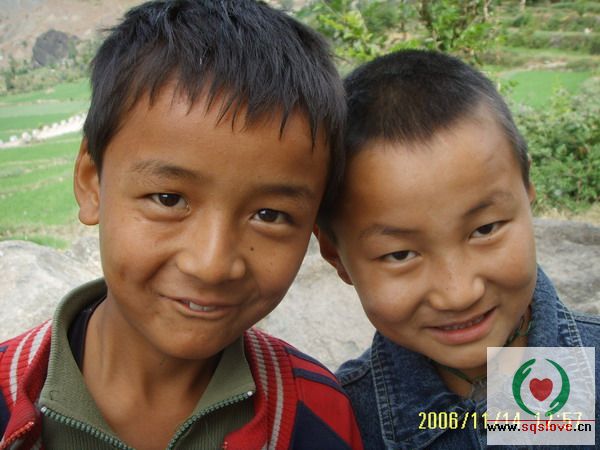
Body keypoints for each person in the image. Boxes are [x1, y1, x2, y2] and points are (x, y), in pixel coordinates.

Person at [0, 1, 364, 449]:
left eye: (269, 215)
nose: (211, 265)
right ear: (92, 182)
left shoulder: (321, 415)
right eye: (168, 199)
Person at [316, 49, 600, 449]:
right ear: (336, 256)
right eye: (400, 254)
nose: (458, 293)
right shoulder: (338, 425)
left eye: (485, 229)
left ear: (528, 193)